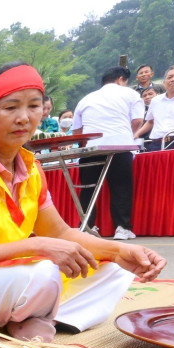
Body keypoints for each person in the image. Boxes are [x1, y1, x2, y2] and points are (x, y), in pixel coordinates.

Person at [0, 62, 166, 342]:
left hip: (9, 279)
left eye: (33, 106)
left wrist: (118, 252)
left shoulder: (30, 169)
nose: (23, 118)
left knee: (112, 269)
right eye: (10, 108)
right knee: (43, 271)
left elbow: (60, 233)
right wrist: (38, 245)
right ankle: (32, 317)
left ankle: (31, 317)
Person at [72, 66, 144, 240]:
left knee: (89, 188)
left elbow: (77, 131)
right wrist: (127, 135)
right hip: (119, 146)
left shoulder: (86, 98)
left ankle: (87, 227)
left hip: (91, 148)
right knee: (121, 187)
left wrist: (87, 143)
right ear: (121, 79)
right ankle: (122, 227)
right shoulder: (130, 94)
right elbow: (137, 120)